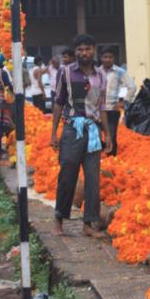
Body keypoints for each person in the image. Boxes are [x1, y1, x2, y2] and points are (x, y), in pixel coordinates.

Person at [51, 33, 112, 238]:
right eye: (80, 49)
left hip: (93, 132)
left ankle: (88, 224)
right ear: (75, 52)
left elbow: (101, 105)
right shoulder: (66, 73)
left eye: (87, 49)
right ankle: (59, 219)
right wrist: (54, 133)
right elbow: (58, 102)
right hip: (71, 129)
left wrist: (108, 135)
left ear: (93, 50)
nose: (84, 53)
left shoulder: (100, 76)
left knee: (93, 178)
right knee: (68, 174)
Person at [99, 46, 136, 156]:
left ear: (113, 58)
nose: (107, 59)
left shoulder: (119, 72)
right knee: (94, 135)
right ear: (101, 58)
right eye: (105, 57)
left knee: (111, 136)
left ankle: (112, 160)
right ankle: (100, 156)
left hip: (112, 110)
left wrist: (123, 103)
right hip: (97, 110)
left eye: (110, 57)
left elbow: (132, 87)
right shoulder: (96, 72)